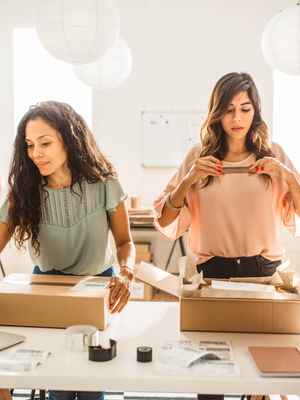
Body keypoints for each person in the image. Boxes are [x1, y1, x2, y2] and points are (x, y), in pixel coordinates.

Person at [154, 73, 300, 400]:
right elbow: (164, 220)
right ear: (216, 113)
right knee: (209, 378)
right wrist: (189, 179)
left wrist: (288, 176)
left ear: (256, 112)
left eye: (245, 109)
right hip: (212, 275)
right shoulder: (197, 157)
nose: (237, 119)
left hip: (263, 275)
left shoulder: (274, 154)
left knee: (261, 380)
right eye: (229, 109)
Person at [0, 101, 136, 400]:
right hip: (47, 287)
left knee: (91, 382)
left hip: (97, 285)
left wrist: (126, 273)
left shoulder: (104, 184)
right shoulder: (24, 190)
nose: (36, 153)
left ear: (69, 139)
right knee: (58, 384)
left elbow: (125, 242)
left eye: (45, 143)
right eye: (30, 145)